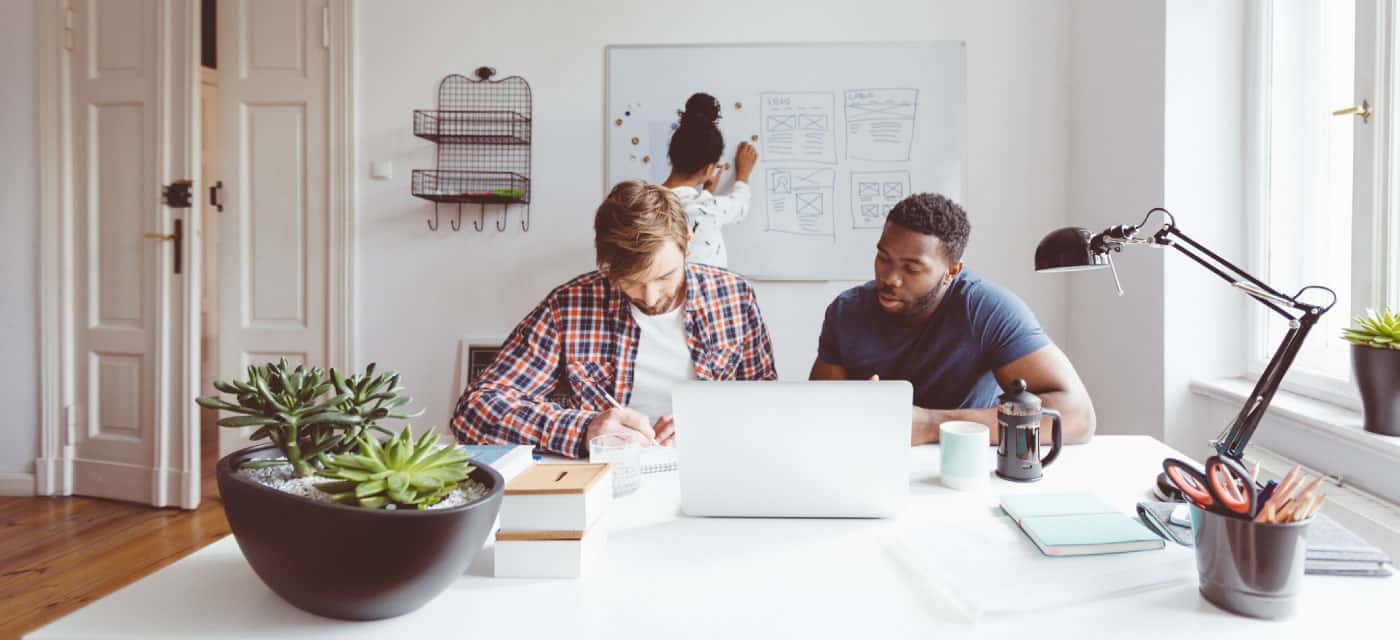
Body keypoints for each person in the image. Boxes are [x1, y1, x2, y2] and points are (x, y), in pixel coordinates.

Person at [452, 180, 778, 458]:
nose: (649, 297)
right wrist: (583, 430)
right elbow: (475, 410)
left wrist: (714, 421)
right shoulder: (568, 306)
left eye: (664, 276)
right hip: (609, 476)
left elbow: (769, 405)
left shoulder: (735, 297)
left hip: (714, 465)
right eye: (631, 281)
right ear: (605, 263)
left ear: (687, 245)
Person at [810, 193, 1096, 445]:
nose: (890, 278)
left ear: (952, 270)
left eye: (912, 268)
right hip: (873, 463)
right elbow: (816, 415)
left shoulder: (986, 309)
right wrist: (855, 407)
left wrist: (931, 425)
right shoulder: (847, 311)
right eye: (884, 258)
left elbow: (1077, 417)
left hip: (964, 465)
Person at [662, 92, 758, 269]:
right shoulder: (710, 208)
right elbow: (740, 205)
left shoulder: (642, 200)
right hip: (701, 295)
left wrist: (706, 194)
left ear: (671, 155)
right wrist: (743, 175)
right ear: (708, 169)